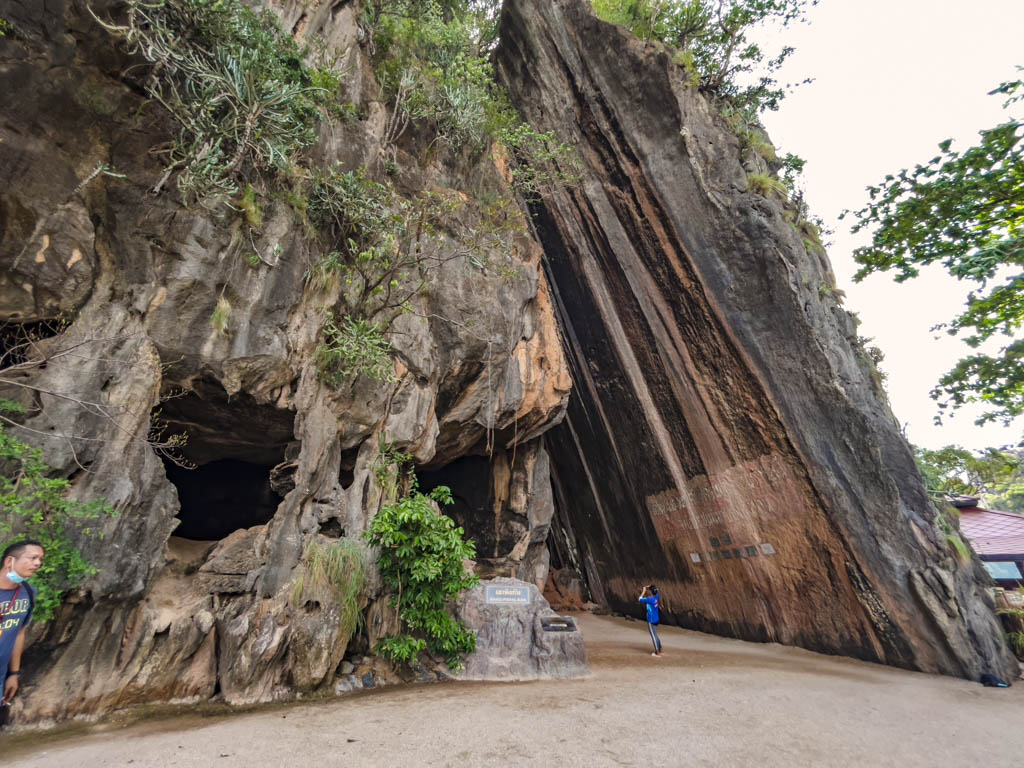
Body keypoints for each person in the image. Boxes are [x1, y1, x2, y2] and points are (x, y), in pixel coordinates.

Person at [0, 540, 43, 709]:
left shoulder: (28, 593)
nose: (37, 563)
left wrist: (14, 673)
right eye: (32, 558)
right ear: (10, 561)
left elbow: (19, 632)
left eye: (40, 559)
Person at [639, 584, 662, 657]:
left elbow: (640, 599)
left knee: (653, 636)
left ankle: (657, 652)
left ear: (651, 592)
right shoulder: (656, 597)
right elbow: (657, 590)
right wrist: (649, 587)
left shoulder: (650, 599)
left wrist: (644, 591)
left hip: (651, 620)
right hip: (656, 619)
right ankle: (660, 649)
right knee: (656, 635)